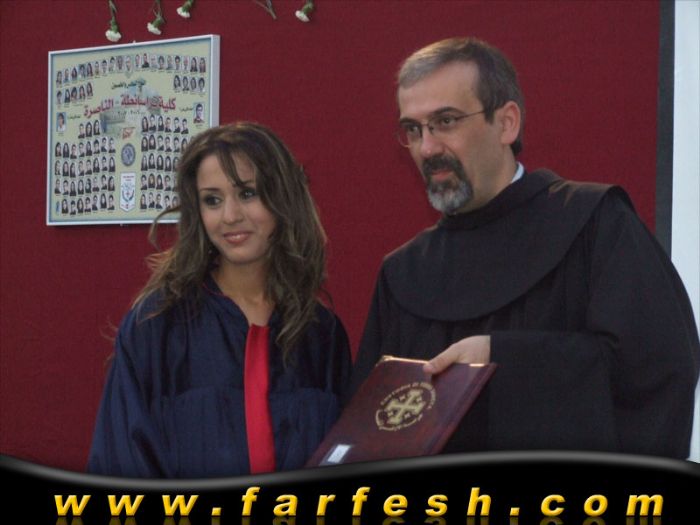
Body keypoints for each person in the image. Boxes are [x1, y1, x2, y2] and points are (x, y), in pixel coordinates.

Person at [347, 37, 700, 459]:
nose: (427, 148)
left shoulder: (593, 224)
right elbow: (372, 428)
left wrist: (501, 359)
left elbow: (657, 371)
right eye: (413, 129)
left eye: (446, 121)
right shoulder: (405, 274)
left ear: (506, 123)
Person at [87, 122, 352, 478]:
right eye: (212, 200)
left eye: (247, 193)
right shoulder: (155, 326)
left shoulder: (320, 333)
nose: (230, 216)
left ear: (283, 199)